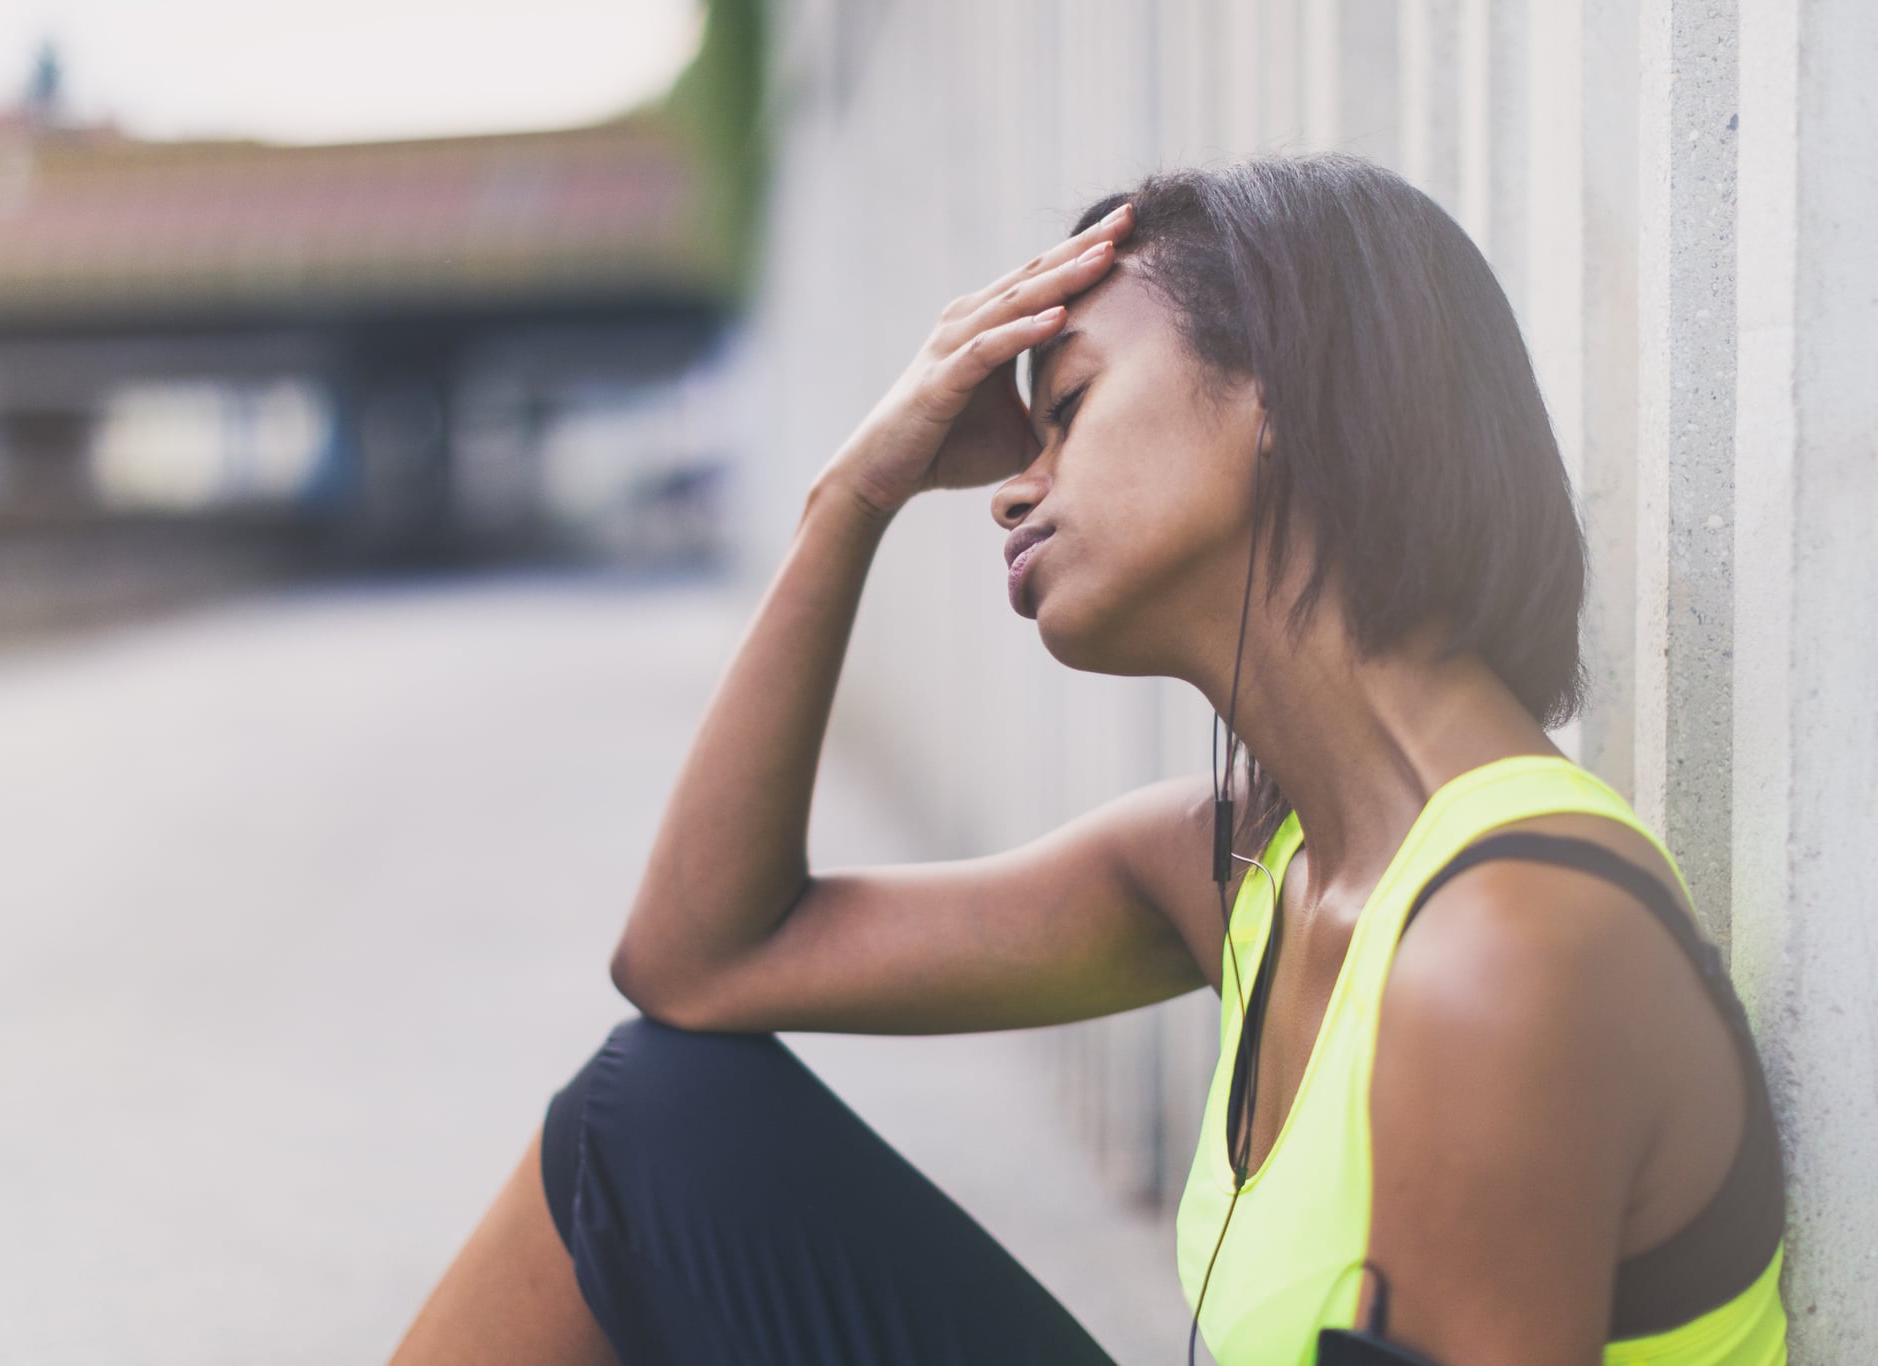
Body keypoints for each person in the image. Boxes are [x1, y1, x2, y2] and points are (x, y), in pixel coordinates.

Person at [387, 154, 1788, 1366]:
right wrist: (850, 499)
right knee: (654, 1125)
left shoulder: (1507, 947)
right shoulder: (1245, 867)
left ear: (1281, 394)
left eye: (1066, 408)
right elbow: (701, 961)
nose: (1006, 478)